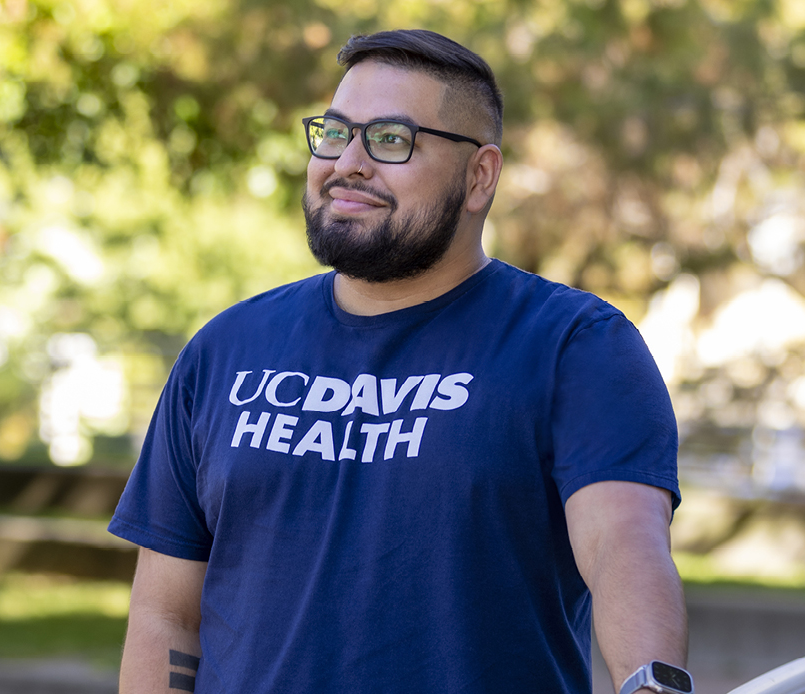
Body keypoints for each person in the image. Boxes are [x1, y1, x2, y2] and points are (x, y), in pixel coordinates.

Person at [109, 29, 690, 694]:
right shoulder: (225, 351)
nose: (348, 162)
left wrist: (651, 685)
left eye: (391, 139)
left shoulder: (575, 345)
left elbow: (622, 546)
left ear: (479, 176)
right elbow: (167, 615)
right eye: (334, 133)